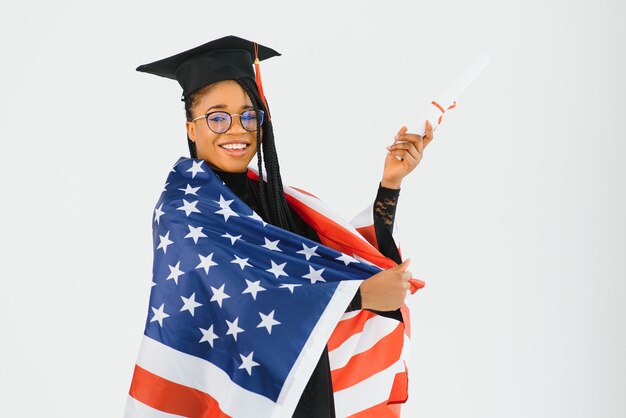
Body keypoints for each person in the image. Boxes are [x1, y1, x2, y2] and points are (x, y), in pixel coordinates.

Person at [134, 35, 433, 418]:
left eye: (249, 114)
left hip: (303, 389)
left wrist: (390, 184)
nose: (236, 128)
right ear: (192, 128)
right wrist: (359, 297)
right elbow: (244, 298)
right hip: (242, 397)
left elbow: (336, 264)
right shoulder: (185, 209)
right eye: (217, 116)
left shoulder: (275, 198)